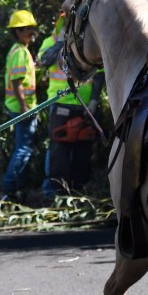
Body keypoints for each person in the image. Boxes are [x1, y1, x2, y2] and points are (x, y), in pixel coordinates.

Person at [38, 13, 105, 199]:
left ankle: (79, 193)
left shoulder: (89, 43)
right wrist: (60, 43)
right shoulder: (50, 42)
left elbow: (99, 74)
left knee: (83, 150)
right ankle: (56, 193)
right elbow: (43, 62)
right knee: (58, 151)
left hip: (84, 107)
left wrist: (93, 101)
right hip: (60, 105)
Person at [0, 9, 39, 199]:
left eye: (32, 28)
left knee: (24, 148)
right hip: (21, 108)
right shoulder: (20, 53)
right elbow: (16, 83)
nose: (31, 32)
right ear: (17, 32)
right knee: (23, 149)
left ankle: (18, 189)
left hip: (23, 107)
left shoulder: (22, 51)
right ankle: (8, 189)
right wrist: (24, 107)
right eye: (26, 29)